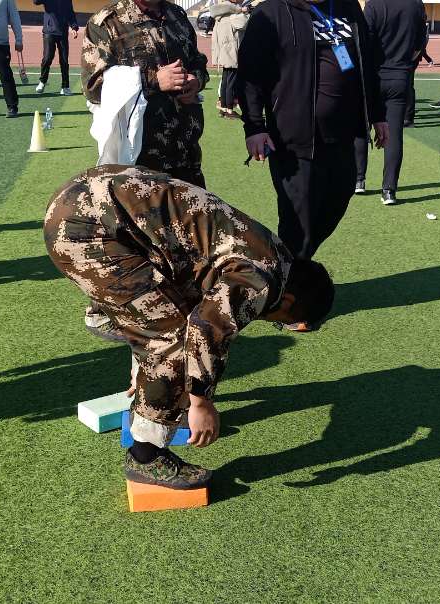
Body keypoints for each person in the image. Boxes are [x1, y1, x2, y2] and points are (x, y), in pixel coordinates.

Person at [44, 165, 335, 489]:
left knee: (163, 320)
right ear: (289, 299)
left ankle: (123, 334)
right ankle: (146, 458)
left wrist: (145, 365)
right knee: (171, 340)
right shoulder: (261, 280)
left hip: (86, 196)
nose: (271, 321)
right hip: (87, 230)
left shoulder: (276, 255)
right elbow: (205, 328)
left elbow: (189, 292)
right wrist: (201, 403)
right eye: (282, 321)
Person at [238, 0, 388, 262]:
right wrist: (254, 127)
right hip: (295, 139)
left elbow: (368, 63)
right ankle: (288, 279)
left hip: (343, 135)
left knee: (337, 200)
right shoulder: (271, 12)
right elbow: (250, 73)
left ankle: (290, 267)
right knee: (299, 223)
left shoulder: (347, 7)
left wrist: (377, 114)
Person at [81, 0, 209, 186]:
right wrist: (153, 80)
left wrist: (196, 79)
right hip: (140, 161)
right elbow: (93, 87)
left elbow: (196, 61)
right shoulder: (106, 23)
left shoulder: (176, 14)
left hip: (186, 153)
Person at [357, 0, 427, 205]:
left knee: (362, 126)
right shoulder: (415, 4)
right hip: (400, 75)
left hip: (373, 75)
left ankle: (359, 179)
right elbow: (420, 43)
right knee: (394, 134)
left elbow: (364, 42)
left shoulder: (374, 5)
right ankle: (389, 190)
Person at [208, 0, 250, 118]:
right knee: (231, 83)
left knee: (225, 81)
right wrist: (245, 13)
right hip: (231, 53)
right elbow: (244, 23)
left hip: (224, 52)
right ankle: (229, 110)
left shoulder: (220, 16)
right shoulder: (233, 16)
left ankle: (223, 108)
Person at [35, 0, 79, 95]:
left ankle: (65, 87)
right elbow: (36, 1)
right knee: (47, 58)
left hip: (63, 32)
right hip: (49, 32)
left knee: (64, 60)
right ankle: (42, 81)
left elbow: (70, 12)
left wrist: (74, 27)